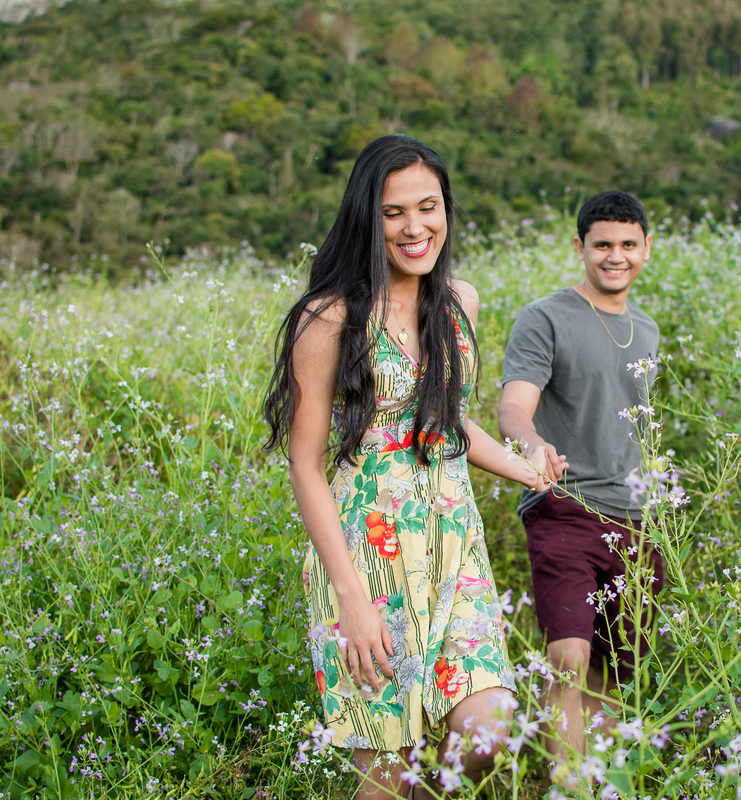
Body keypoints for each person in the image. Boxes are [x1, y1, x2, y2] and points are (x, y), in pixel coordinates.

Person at [263, 134, 554, 799]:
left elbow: (447, 424)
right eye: (395, 212)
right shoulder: (329, 318)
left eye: (428, 207)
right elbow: (305, 466)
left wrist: (527, 468)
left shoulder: (460, 303)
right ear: (369, 216)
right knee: (386, 773)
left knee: (490, 727)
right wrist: (351, 600)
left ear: (446, 210)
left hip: (455, 544)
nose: (415, 226)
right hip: (368, 556)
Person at [497, 190, 664, 761]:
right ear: (580, 248)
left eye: (627, 244)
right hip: (565, 505)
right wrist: (535, 446)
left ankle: (589, 776)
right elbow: (513, 407)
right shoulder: (544, 317)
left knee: (614, 672)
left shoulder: (648, 330)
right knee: (567, 658)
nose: (615, 256)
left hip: (637, 517)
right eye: (602, 245)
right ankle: (567, 784)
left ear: (646, 248)